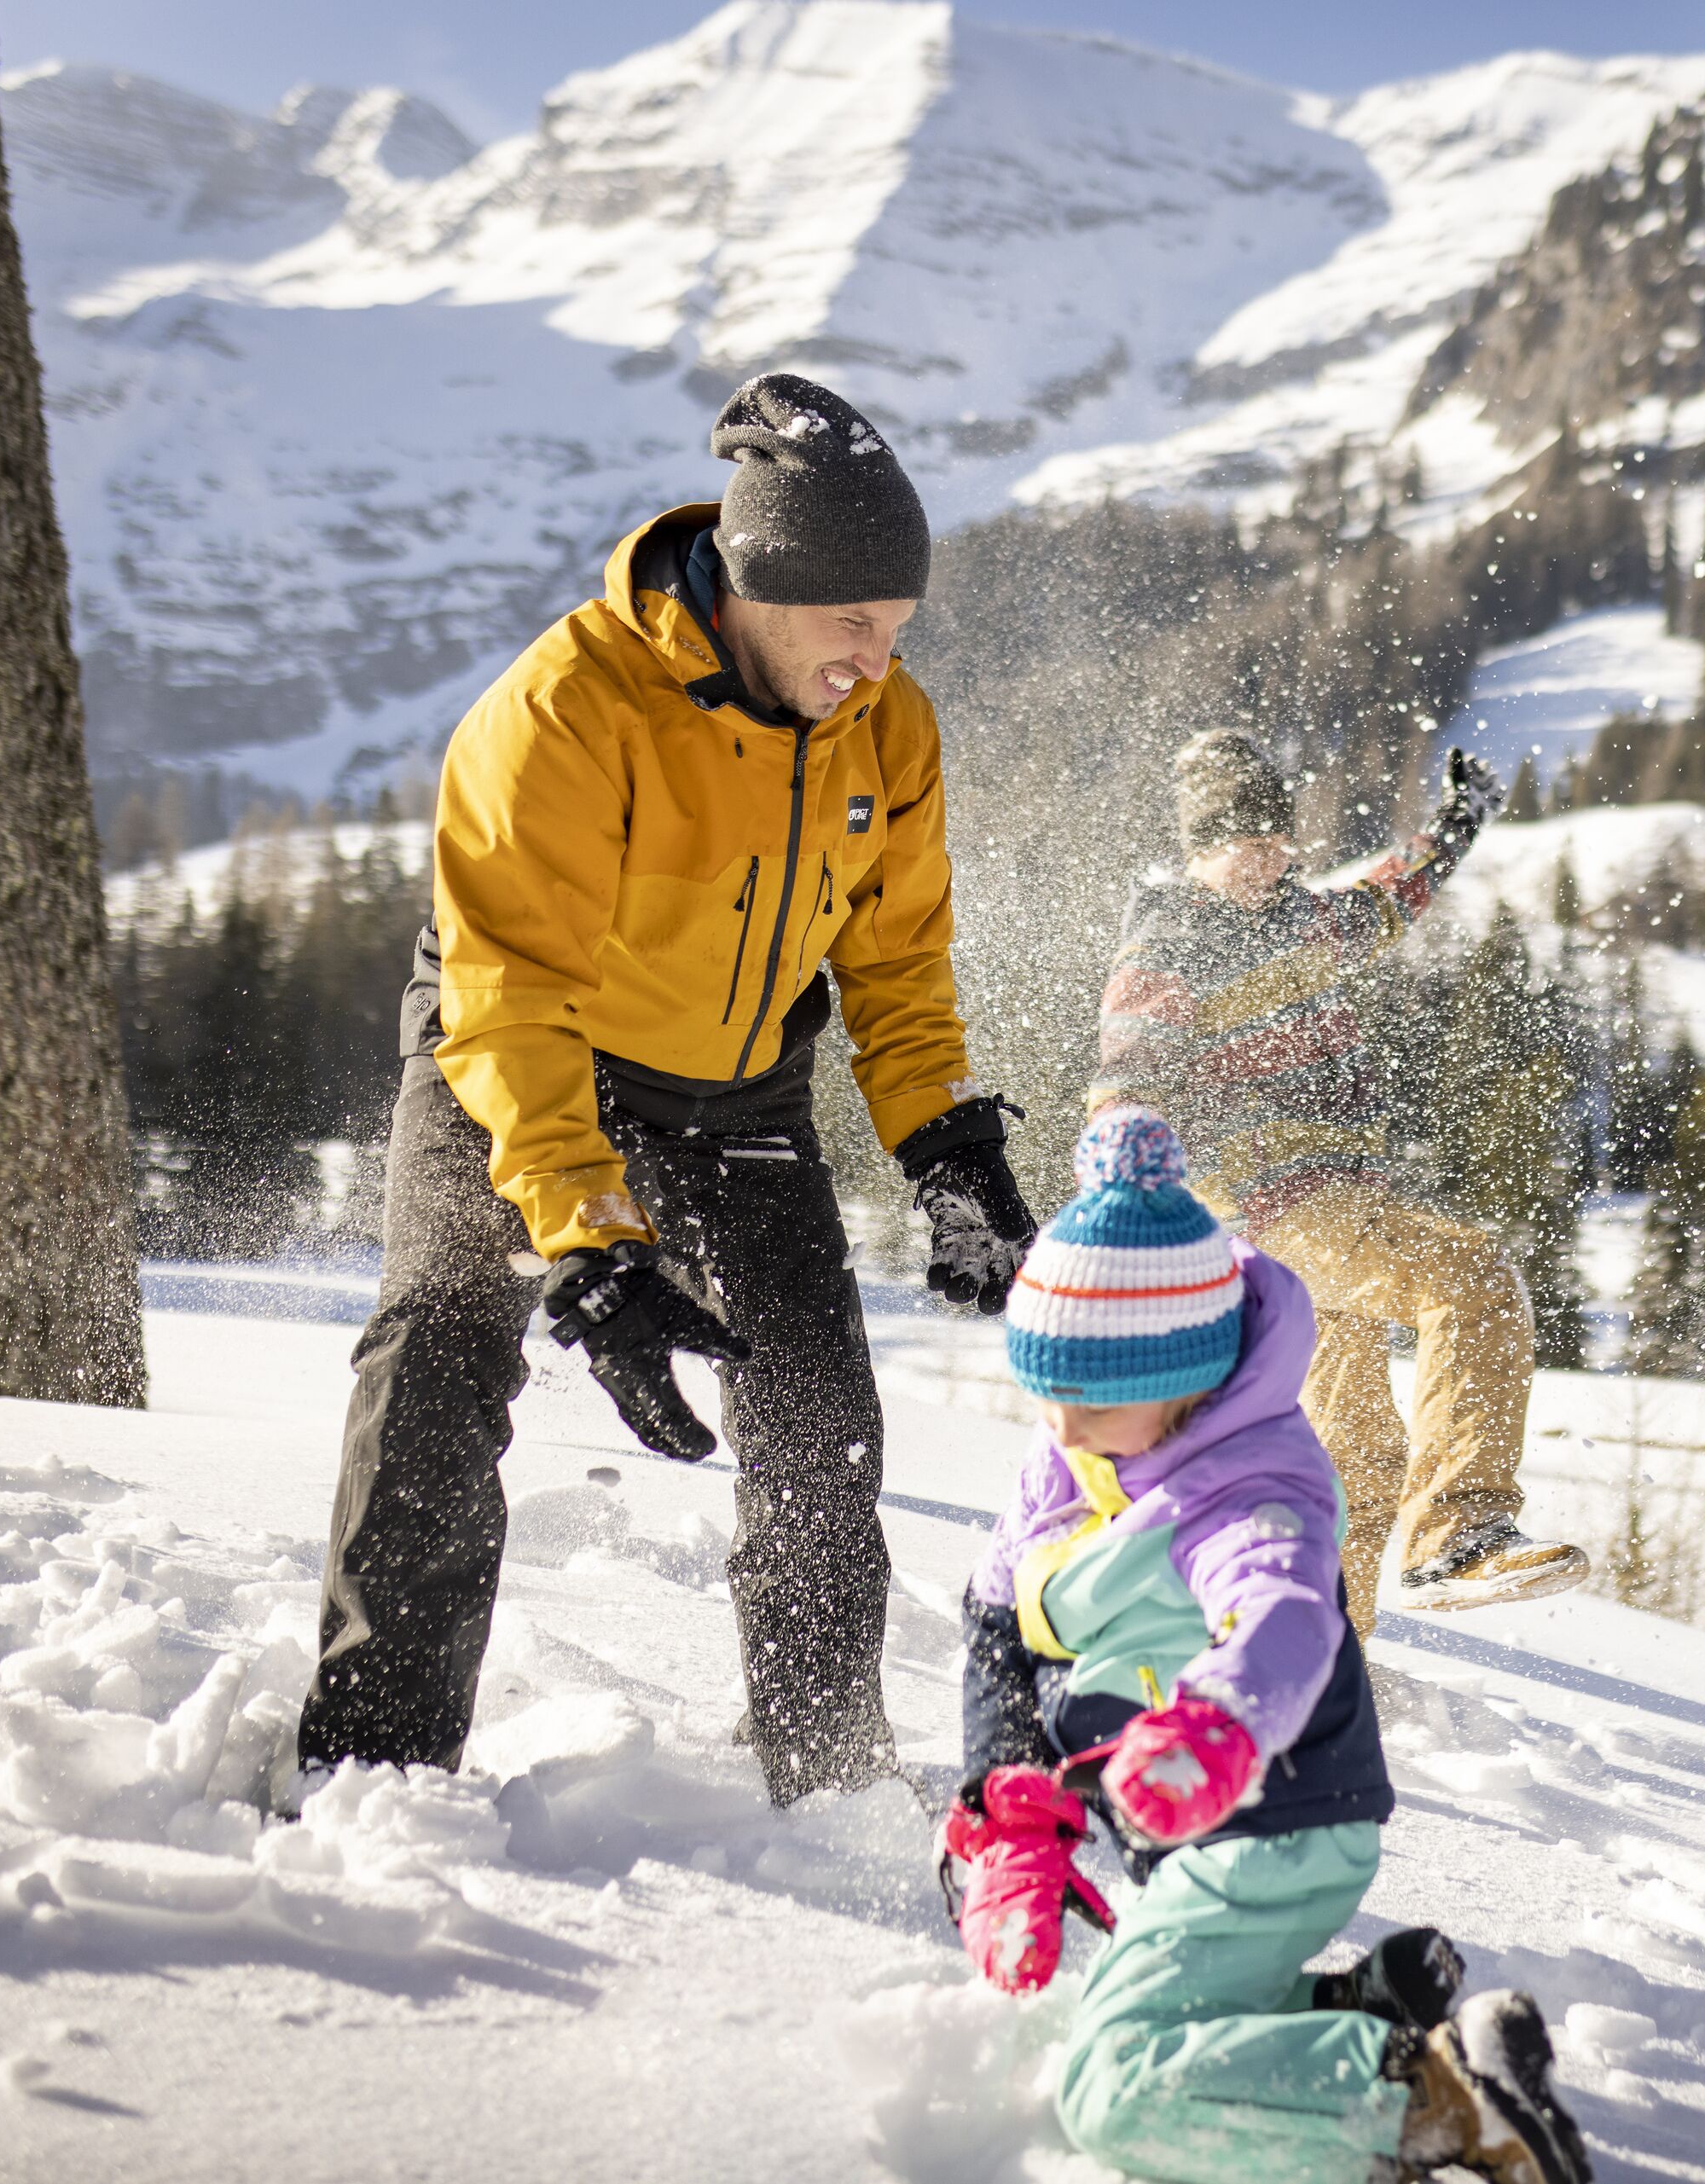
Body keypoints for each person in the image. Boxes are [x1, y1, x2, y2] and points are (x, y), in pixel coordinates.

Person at [293, 372, 1039, 1810]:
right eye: (852, 626)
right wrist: (585, 1238)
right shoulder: (572, 705)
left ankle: (824, 1790)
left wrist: (946, 1149)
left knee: (819, 1419)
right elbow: (508, 996)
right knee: (444, 1359)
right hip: (513, 1061)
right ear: (761, 584)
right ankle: (366, 1776)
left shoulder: (891, 734)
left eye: (896, 630)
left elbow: (894, 964)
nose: (878, 661)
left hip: (742, 1090)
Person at [949, 1107, 1592, 2184]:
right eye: (1045, 1387)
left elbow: (1285, 1618)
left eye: (1091, 1395)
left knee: (1111, 2086)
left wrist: (1215, 1726)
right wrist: (1011, 1816)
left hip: (1270, 1818)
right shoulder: (1072, 1461)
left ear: (1184, 1375)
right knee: (1144, 2015)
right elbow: (996, 1626)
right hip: (1186, 1833)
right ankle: (1362, 2008)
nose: (1059, 1425)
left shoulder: (1251, 1487)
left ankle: (1428, 2094)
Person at [1088, 731, 1587, 1629]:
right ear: (1201, 844)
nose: (1270, 856)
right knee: (1470, 1277)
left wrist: (1456, 826)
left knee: (1351, 1452)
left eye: (1279, 837)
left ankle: (1318, 1653)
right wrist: (1118, 1217)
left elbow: (1393, 895)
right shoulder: (1171, 942)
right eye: (1247, 839)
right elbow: (1127, 1086)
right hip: (1270, 1202)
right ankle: (1461, 1530)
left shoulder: (1304, 920)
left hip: (1338, 1204)